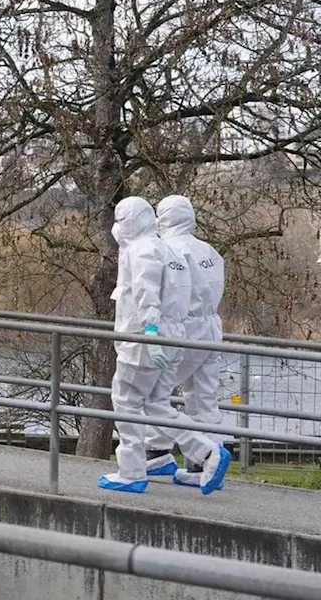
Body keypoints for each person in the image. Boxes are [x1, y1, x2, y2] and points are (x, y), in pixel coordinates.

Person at [98, 196, 231, 495]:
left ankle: (133, 470)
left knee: (128, 402)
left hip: (151, 337)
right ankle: (207, 453)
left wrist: (150, 330)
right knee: (171, 402)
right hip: (189, 332)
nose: (116, 228)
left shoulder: (150, 249)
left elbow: (146, 295)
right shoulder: (188, 250)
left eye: (120, 221)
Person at [143, 195, 231, 487]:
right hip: (211, 330)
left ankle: (157, 453)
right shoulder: (209, 251)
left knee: (154, 393)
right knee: (204, 398)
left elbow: (161, 294)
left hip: (181, 329)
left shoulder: (164, 250)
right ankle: (205, 464)